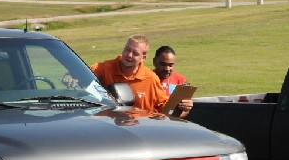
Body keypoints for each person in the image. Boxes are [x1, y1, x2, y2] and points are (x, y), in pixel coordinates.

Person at [64, 35, 193, 117]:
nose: (129, 55)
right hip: (108, 129)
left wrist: (183, 107)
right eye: (127, 49)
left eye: (135, 53)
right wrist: (71, 76)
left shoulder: (151, 78)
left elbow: (166, 109)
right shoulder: (106, 67)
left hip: (140, 131)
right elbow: (81, 73)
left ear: (143, 58)